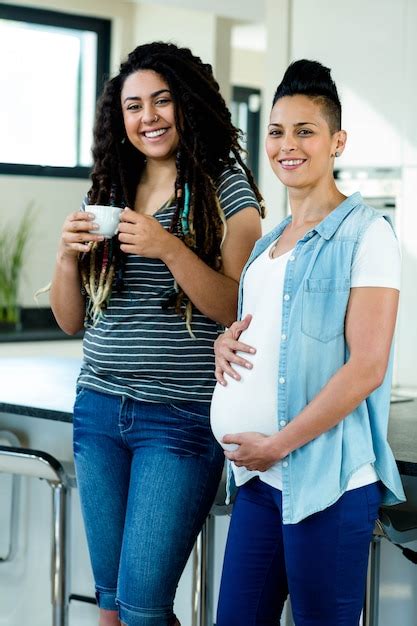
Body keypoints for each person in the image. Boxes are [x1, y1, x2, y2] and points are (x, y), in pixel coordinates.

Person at [49, 41, 263, 626]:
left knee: (144, 608)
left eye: (161, 101)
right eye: (134, 106)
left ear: (186, 104)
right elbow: (71, 321)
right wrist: (66, 259)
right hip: (98, 409)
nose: (148, 118)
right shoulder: (111, 186)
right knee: (113, 608)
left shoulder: (225, 188)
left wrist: (168, 246)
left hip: (179, 417)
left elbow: (238, 306)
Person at [210, 59, 405, 626]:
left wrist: (278, 444)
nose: (286, 145)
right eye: (276, 131)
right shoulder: (266, 246)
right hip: (259, 481)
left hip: (327, 482)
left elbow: (366, 366)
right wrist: (225, 343)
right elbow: (269, 339)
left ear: (336, 141)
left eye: (305, 131)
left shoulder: (368, 234)